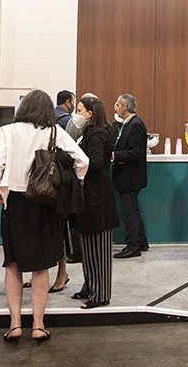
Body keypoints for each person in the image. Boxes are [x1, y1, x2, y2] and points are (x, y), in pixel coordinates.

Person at [0, 89, 89, 346]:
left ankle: (14, 325)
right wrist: (76, 182)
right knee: (41, 267)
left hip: (14, 203)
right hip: (45, 203)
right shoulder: (54, 132)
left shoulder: (8, 131)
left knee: (12, 263)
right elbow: (83, 160)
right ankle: (38, 325)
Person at [70, 95, 119, 308]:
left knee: (99, 248)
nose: (77, 114)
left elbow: (96, 163)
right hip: (90, 194)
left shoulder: (97, 134)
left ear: (90, 114)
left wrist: (75, 162)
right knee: (88, 245)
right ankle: (90, 286)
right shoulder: (90, 132)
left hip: (97, 196)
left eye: (80, 110)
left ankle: (101, 294)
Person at [112, 93, 149, 259]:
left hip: (130, 177)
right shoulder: (128, 124)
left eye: (117, 104)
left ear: (124, 107)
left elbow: (136, 152)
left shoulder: (135, 125)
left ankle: (133, 246)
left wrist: (115, 155)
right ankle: (141, 241)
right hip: (128, 176)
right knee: (133, 209)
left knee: (130, 212)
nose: (115, 108)